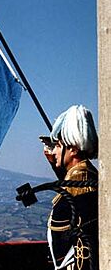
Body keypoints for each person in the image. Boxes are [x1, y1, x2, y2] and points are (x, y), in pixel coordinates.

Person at [43, 105, 98, 270]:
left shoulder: (72, 197)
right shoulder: (93, 178)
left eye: (58, 145)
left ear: (73, 149)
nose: (55, 151)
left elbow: (62, 251)